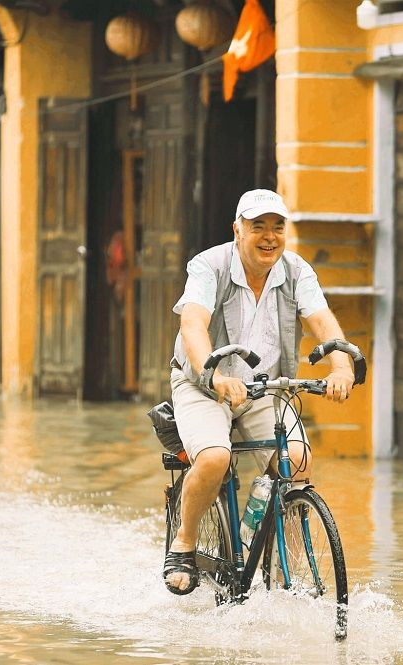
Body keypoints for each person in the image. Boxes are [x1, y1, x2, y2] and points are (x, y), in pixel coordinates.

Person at [163, 189, 355, 595]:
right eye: (258, 227)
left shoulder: (296, 271)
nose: (269, 236)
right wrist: (212, 374)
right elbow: (193, 324)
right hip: (203, 385)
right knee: (215, 457)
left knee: (298, 461)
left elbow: (322, 321)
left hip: (261, 387)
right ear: (238, 230)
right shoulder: (209, 266)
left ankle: (266, 547)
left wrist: (341, 363)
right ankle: (185, 541)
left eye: (277, 227)